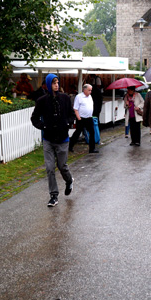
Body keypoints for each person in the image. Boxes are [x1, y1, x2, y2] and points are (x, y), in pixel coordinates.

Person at [30, 74, 75, 207]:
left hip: (62, 139)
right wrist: (43, 126)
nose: (56, 85)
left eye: (57, 82)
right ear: (49, 85)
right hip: (48, 139)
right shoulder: (42, 101)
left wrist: (67, 123)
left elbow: (72, 115)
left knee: (62, 166)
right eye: (54, 83)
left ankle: (69, 181)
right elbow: (34, 118)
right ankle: (53, 196)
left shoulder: (65, 98)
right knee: (50, 168)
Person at [69, 83, 98, 154]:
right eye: (89, 90)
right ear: (84, 90)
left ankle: (92, 149)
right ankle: (70, 146)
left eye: (91, 90)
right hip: (81, 118)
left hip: (89, 118)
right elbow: (75, 108)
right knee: (77, 133)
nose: (90, 92)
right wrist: (78, 118)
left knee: (92, 132)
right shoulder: (79, 97)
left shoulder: (90, 97)